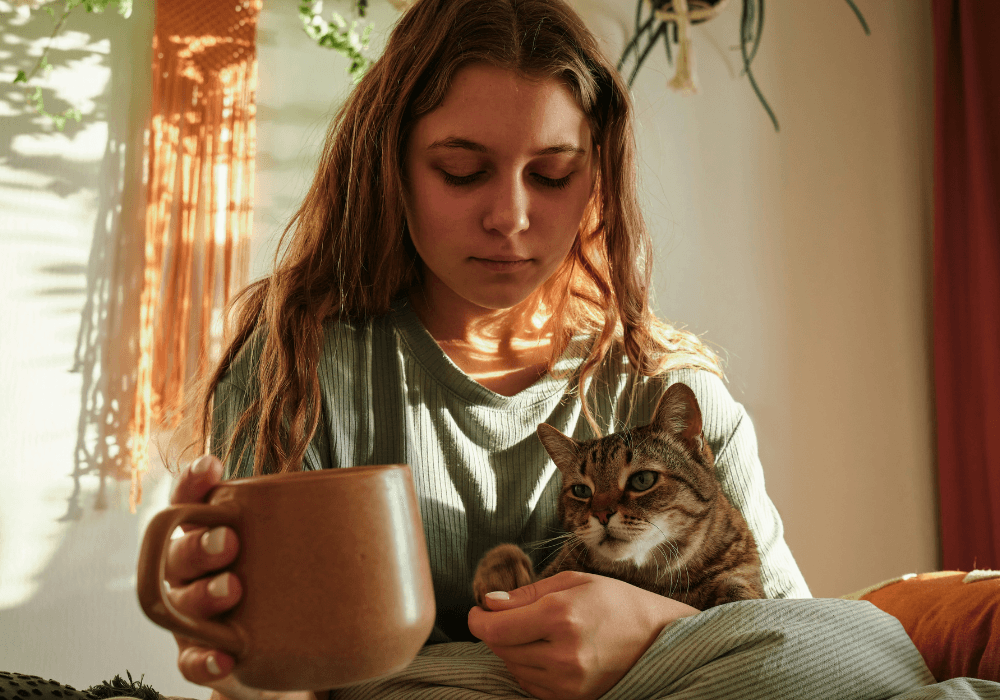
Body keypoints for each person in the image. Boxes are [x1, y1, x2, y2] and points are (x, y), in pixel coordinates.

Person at [163, 1, 811, 699]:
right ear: (393, 167)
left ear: (598, 178)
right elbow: (285, 680)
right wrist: (247, 676)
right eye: (463, 170)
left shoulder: (667, 388)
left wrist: (650, 631)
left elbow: (801, 653)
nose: (510, 218)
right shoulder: (298, 373)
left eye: (553, 175)